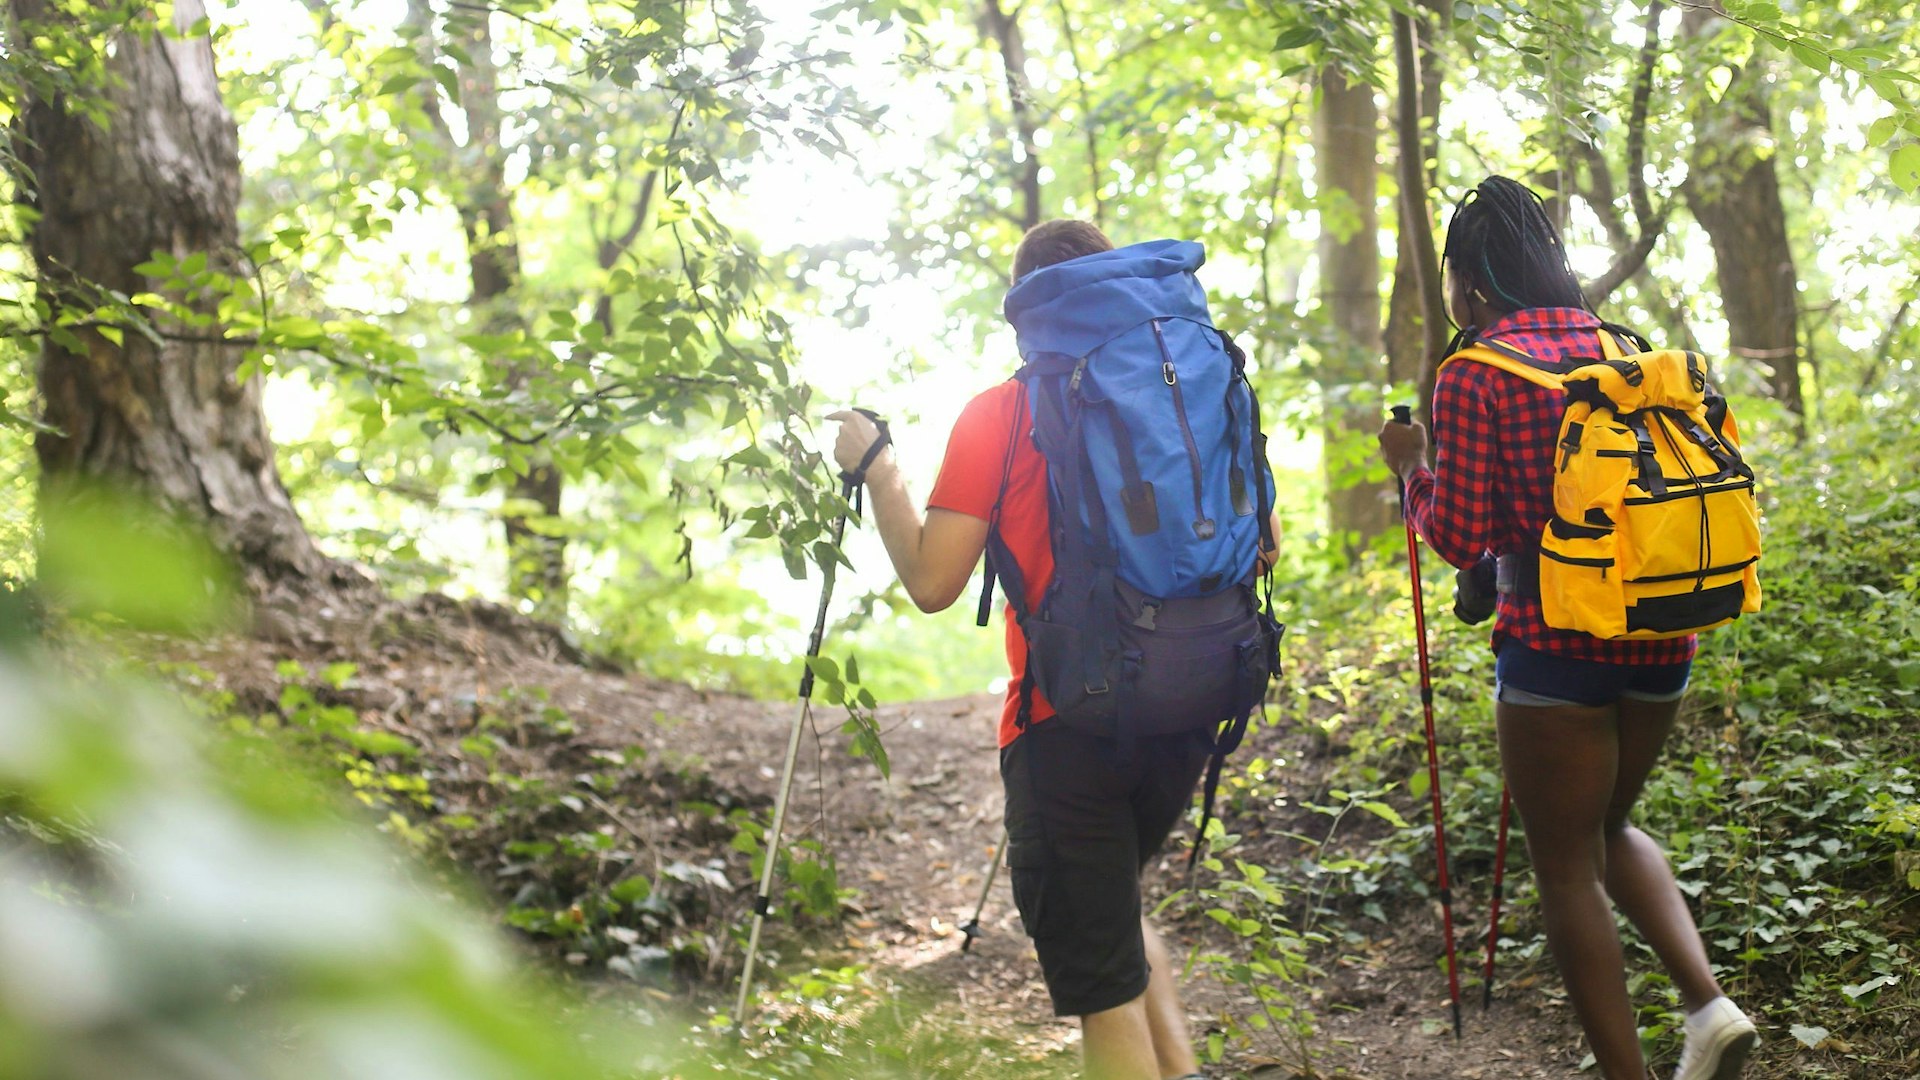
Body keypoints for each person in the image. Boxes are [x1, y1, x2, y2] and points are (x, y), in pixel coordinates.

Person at [829, 219, 1269, 1080]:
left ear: (1027, 309)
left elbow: (932, 582)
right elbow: (1264, 542)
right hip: (1191, 700)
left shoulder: (1003, 411)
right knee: (1113, 917)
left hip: (1065, 725)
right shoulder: (1197, 383)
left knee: (1103, 993)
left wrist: (880, 471)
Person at [1376, 176, 1757, 1080]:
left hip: (1555, 647)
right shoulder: (1622, 350)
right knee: (1613, 824)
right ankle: (1709, 1010)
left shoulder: (1475, 375)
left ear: (1469, 280)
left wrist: (1411, 467)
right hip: (1668, 630)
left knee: (1564, 865)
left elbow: (1458, 533)